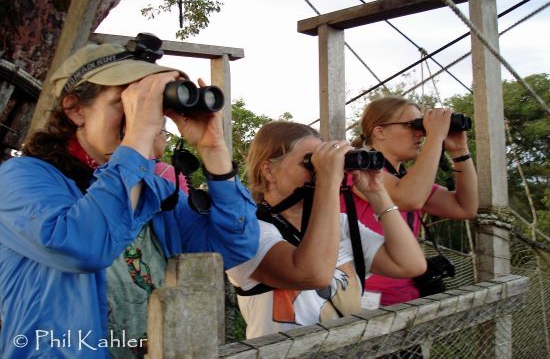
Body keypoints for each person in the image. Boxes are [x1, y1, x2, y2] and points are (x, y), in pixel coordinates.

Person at [0, 38, 259, 359]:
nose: (144, 117)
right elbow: (83, 247)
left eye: (151, 106)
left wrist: (214, 150)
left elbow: (234, 248)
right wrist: (137, 137)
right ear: (75, 109)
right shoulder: (20, 179)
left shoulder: (155, 190)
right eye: (128, 103)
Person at [226, 121, 426, 339]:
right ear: (269, 171)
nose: (321, 170)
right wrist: (328, 179)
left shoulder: (340, 224)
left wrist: (377, 192)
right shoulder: (246, 232)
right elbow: (313, 274)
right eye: (310, 163)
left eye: (324, 163)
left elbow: (410, 264)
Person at [342, 95, 478, 308]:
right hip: (360, 303)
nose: (420, 133)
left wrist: (460, 151)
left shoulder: (405, 180)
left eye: (421, 125)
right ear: (379, 131)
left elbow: (465, 207)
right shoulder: (357, 171)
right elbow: (409, 199)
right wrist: (435, 138)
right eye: (412, 125)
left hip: (405, 299)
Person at [153, 118, 189, 194]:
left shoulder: (123, 165)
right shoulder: (171, 173)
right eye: (166, 134)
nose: (166, 139)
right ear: (157, 133)